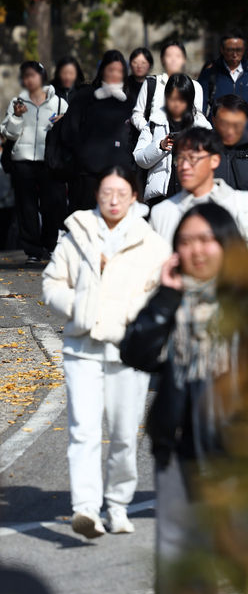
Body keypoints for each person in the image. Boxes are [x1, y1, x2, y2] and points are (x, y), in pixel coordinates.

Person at [120, 205, 248, 594]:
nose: (195, 250)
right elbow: (135, 351)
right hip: (178, 451)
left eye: (205, 240)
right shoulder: (175, 297)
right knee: (180, 569)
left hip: (239, 454)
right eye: (185, 242)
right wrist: (165, 295)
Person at [42, 165, 170, 539]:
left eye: (121, 193)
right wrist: (83, 304)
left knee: (124, 434)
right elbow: (52, 284)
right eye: (105, 192)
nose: (113, 200)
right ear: (97, 194)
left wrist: (130, 315)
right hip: (82, 348)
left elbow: (159, 293)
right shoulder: (77, 233)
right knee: (82, 431)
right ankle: (85, 509)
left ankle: (116, 504)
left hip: (128, 352)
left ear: (134, 197)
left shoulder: (150, 242)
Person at [150, 127, 248, 304]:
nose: (185, 166)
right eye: (180, 159)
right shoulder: (162, 213)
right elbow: (154, 267)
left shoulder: (244, 205)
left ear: (214, 160)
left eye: (193, 159)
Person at [0, 62, 67, 262]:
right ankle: (32, 250)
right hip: (23, 161)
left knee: (51, 205)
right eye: (26, 76)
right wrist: (18, 117)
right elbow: (8, 134)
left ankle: (50, 243)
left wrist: (62, 121)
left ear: (42, 76)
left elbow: (70, 130)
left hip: (50, 161)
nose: (30, 79)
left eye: (33, 75)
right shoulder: (17, 102)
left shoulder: (59, 103)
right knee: (26, 206)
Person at [60, 50, 135, 212]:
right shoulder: (85, 97)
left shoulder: (128, 101)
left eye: (119, 71)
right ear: (102, 71)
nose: (115, 74)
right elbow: (69, 132)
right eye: (111, 70)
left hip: (117, 174)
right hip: (87, 175)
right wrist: (84, 156)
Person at [134, 74, 211, 205]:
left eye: (181, 100)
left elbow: (212, 159)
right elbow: (139, 158)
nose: (176, 104)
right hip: (161, 196)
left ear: (190, 99)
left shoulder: (202, 125)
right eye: (172, 99)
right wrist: (160, 146)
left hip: (193, 195)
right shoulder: (155, 122)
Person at [198, 30, 248, 137]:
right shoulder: (210, 75)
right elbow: (200, 107)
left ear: (244, 50)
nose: (235, 54)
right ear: (222, 50)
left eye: (239, 50)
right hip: (218, 136)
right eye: (230, 50)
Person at [131, 40, 202, 133]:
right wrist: (151, 132)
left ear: (184, 59)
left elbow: (198, 116)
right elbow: (137, 115)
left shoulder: (195, 86)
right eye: (169, 56)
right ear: (162, 59)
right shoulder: (151, 83)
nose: (173, 59)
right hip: (154, 143)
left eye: (178, 56)